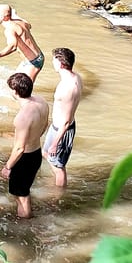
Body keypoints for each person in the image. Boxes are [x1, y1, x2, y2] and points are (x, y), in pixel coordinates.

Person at [0, 73, 49, 219]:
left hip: (24, 158)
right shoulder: (42, 102)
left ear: (15, 92)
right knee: (24, 191)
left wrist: (7, 166)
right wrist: (33, 138)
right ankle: (27, 219)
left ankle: (25, 226)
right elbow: (46, 124)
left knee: (21, 196)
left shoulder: (23, 116)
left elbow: (20, 148)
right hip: (36, 153)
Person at [43, 47, 82, 187]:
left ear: (61, 64)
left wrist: (55, 143)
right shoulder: (74, 77)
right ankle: (57, 183)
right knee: (46, 154)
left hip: (62, 129)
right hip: (57, 126)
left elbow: (66, 121)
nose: (52, 62)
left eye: (54, 60)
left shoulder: (69, 88)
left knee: (58, 167)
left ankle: (57, 197)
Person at [0, 4, 45, 82]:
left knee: (23, 90)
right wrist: (15, 15)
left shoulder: (9, 30)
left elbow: (13, 46)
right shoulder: (20, 22)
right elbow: (29, 25)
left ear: (4, 16)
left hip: (33, 62)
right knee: (12, 83)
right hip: (36, 57)